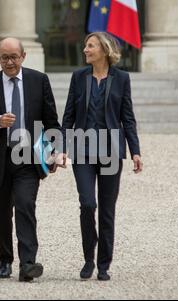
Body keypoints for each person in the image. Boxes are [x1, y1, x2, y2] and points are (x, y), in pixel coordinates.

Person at [0, 37, 63, 282]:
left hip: (28, 158)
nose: (9, 62)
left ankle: (28, 263)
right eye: (4, 57)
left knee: (25, 205)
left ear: (23, 56)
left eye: (13, 57)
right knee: (1, 213)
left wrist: (54, 152)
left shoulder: (39, 81)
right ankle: (5, 259)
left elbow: (52, 122)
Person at [61, 32, 143, 281]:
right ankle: (88, 259)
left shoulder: (121, 78)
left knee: (107, 210)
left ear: (105, 50)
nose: (85, 50)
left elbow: (127, 117)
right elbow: (69, 116)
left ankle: (103, 264)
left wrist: (135, 151)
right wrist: (62, 148)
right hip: (83, 151)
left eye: (90, 46)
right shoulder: (79, 77)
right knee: (88, 204)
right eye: (85, 45)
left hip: (111, 152)